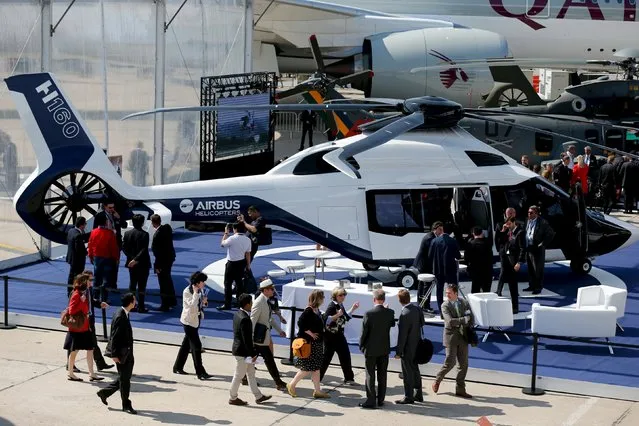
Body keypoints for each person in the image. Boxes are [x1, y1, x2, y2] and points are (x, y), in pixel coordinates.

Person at [229, 293, 273, 406]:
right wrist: (253, 353)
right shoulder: (245, 319)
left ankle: (258, 396)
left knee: (251, 373)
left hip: (241, 350)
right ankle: (233, 397)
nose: (252, 305)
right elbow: (247, 339)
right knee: (239, 375)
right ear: (247, 304)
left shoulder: (237, 315)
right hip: (243, 352)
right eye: (251, 303)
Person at [432, 284, 474, 399]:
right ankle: (437, 380)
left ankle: (460, 389)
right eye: (446, 293)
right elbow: (449, 321)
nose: (447, 295)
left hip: (463, 337)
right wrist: (463, 320)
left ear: (456, 293)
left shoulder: (464, 303)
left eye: (449, 293)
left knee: (463, 364)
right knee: (450, 362)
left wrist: (464, 321)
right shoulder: (444, 305)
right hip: (451, 337)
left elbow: (471, 318)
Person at [98, 292, 137, 415]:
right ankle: (126, 404)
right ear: (131, 302)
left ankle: (105, 392)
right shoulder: (121, 316)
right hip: (122, 353)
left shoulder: (123, 313)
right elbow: (114, 337)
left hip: (127, 352)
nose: (135, 302)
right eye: (134, 300)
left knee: (124, 377)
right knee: (125, 380)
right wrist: (114, 354)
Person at [286, 289, 330, 399]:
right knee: (307, 368)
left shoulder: (316, 310)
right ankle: (292, 384)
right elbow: (301, 323)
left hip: (317, 343)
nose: (324, 299)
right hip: (311, 344)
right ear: (318, 298)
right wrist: (311, 333)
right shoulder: (309, 311)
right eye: (322, 297)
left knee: (316, 368)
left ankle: (317, 390)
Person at [173, 271, 213, 380]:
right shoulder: (187, 291)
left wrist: (205, 302)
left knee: (186, 345)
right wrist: (196, 294)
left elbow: (200, 305)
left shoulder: (200, 291)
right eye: (203, 282)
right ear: (198, 282)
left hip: (196, 320)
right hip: (188, 322)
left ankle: (177, 367)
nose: (204, 284)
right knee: (196, 346)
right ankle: (200, 372)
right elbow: (191, 306)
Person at [358, 289, 395, 409]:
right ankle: (381, 399)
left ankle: (371, 400)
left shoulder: (369, 313)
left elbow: (364, 332)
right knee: (382, 375)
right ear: (384, 300)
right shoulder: (390, 312)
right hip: (384, 349)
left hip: (371, 349)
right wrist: (387, 310)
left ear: (374, 300)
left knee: (370, 375)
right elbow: (392, 324)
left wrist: (361, 345)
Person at [64, 274, 103, 382]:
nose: (91, 282)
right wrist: (81, 302)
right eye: (89, 280)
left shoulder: (85, 292)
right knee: (74, 351)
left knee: (90, 349)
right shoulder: (76, 294)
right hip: (78, 328)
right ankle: (70, 373)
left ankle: (92, 373)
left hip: (85, 326)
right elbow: (71, 311)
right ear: (83, 282)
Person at [249, 279, 287, 390]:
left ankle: (278, 381)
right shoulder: (259, 302)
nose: (273, 291)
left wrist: (279, 330)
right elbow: (252, 321)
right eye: (271, 289)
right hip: (258, 339)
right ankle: (278, 382)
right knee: (262, 360)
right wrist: (250, 339)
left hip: (262, 338)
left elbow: (268, 319)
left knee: (264, 360)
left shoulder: (266, 301)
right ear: (265, 290)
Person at [320, 287, 359, 385]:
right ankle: (317, 378)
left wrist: (353, 308)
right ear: (335, 296)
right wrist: (337, 315)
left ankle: (349, 378)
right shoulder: (332, 306)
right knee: (326, 358)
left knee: (345, 356)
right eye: (340, 295)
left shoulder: (340, 305)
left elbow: (345, 317)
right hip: (330, 337)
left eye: (344, 295)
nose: (343, 297)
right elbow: (326, 320)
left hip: (339, 335)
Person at [394, 289, 425, 404]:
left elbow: (402, 336)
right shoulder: (417, 309)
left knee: (407, 373)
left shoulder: (404, 314)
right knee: (415, 370)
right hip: (417, 344)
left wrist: (398, 352)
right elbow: (422, 323)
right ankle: (418, 394)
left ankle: (408, 396)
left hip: (407, 348)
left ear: (399, 300)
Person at [428, 225, 461, 316]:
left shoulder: (434, 241)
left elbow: (430, 255)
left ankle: (442, 311)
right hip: (450, 268)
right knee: (453, 289)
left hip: (438, 269)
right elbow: (458, 256)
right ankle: (454, 309)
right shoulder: (453, 241)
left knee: (439, 290)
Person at [219, 222, 252, 310]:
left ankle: (227, 304)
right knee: (239, 284)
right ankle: (239, 303)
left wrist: (226, 233)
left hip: (231, 264)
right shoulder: (247, 239)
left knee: (228, 284)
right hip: (241, 263)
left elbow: (222, 244)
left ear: (235, 229)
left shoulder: (232, 238)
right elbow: (248, 253)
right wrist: (248, 265)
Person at [412, 221, 443, 312]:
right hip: (425, 265)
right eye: (440, 229)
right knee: (427, 285)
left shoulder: (430, 236)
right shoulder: (430, 238)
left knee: (422, 285)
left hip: (422, 264)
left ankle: (421, 304)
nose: (441, 231)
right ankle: (425, 306)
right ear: (435, 229)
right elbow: (431, 255)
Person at [88, 213, 120, 303]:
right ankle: (104, 298)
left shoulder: (93, 232)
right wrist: (116, 258)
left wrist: (91, 256)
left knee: (97, 278)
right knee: (106, 280)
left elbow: (90, 245)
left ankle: (95, 297)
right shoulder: (110, 233)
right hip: (108, 258)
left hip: (97, 258)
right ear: (105, 222)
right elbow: (114, 248)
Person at [122, 214, 151, 313]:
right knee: (142, 286)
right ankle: (141, 307)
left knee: (132, 284)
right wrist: (136, 259)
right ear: (142, 223)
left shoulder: (127, 234)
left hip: (131, 263)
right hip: (142, 263)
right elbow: (143, 250)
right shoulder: (145, 234)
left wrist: (131, 259)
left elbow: (124, 248)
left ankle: (131, 305)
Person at [524, 205, 556, 295]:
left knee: (537, 269)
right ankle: (531, 285)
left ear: (536, 214)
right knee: (530, 268)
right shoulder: (527, 220)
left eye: (531, 213)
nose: (529, 214)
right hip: (528, 247)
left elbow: (551, 233)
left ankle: (538, 287)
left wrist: (543, 243)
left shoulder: (542, 222)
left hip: (537, 248)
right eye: (528, 212)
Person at [495, 218, 524, 314]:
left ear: (514, 223)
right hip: (506, 260)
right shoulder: (507, 232)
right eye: (506, 224)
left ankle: (515, 307)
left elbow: (522, 248)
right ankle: (499, 291)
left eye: (509, 224)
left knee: (513, 285)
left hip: (513, 261)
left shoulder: (519, 233)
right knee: (504, 277)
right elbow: (500, 242)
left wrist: (519, 262)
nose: (508, 226)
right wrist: (502, 231)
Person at [151, 214, 177, 311]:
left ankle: (165, 304)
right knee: (168, 280)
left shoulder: (157, 235)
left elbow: (157, 252)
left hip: (162, 261)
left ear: (153, 223)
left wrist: (157, 266)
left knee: (163, 283)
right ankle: (172, 300)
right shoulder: (167, 229)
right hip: (169, 258)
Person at [464, 226, 494, 293]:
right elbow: (491, 257)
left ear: (473, 233)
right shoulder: (488, 243)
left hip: (476, 271)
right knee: (486, 292)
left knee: (475, 292)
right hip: (487, 271)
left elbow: (466, 258)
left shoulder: (471, 244)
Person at [66, 216, 87, 297]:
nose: (85, 225)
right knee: (77, 276)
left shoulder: (71, 231)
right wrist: (86, 251)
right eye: (85, 224)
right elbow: (79, 249)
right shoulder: (78, 235)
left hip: (71, 258)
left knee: (71, 276)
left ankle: (69, 292)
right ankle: (75, 292)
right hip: (78, 260)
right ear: (82, 225)